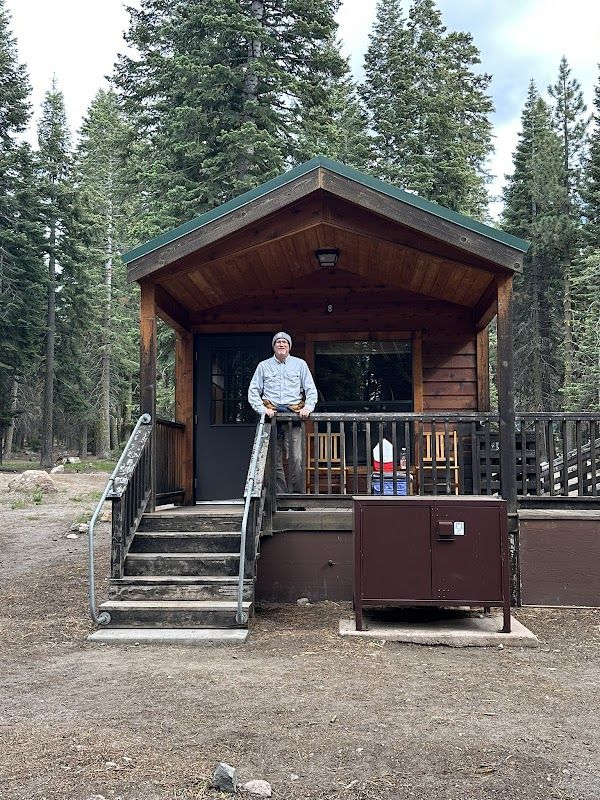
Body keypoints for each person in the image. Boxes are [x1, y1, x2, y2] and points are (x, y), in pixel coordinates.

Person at [248, 332, 317, 493]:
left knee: (297, 459)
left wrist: (307, 407)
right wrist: (263, 409)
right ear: (274, 346)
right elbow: (253, 391)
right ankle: (280, 497)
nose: (281, 344)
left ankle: (297, 497)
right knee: (274, 459)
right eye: (278, 342)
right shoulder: (263, 366)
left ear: (289, 346)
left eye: (284, 342)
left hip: (294, 417)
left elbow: (311, 390)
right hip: (271, 420)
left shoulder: (300, 365)